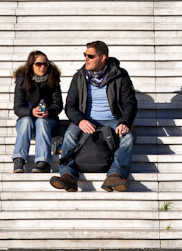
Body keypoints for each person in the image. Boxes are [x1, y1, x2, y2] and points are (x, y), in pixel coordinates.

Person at [50, 41, 137, 193]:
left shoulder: (120, 75)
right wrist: (80, 120)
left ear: (103, 57)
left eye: (90, 56)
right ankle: (67, 176)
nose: (86, 59)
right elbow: (70, 106)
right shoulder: (79, 77)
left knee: (128, 137)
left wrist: (125, 122)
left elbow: (130, 103)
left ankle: (115, 175)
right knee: (70, 134)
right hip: (86, 119)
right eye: (85, 55)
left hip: (112, 119)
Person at [11, 50, 63, 174]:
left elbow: (58, 105)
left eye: (45, 64)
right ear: (31, 65)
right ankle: (19, 159)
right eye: (38, 64)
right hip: (27, 121)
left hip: (48, 121)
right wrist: (31, 111)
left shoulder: (52, 79)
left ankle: (43, 162)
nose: (43, 67)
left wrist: (48, 111)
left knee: (41, 121)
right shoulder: (22, 80)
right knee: (26, 121)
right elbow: (18, 108)